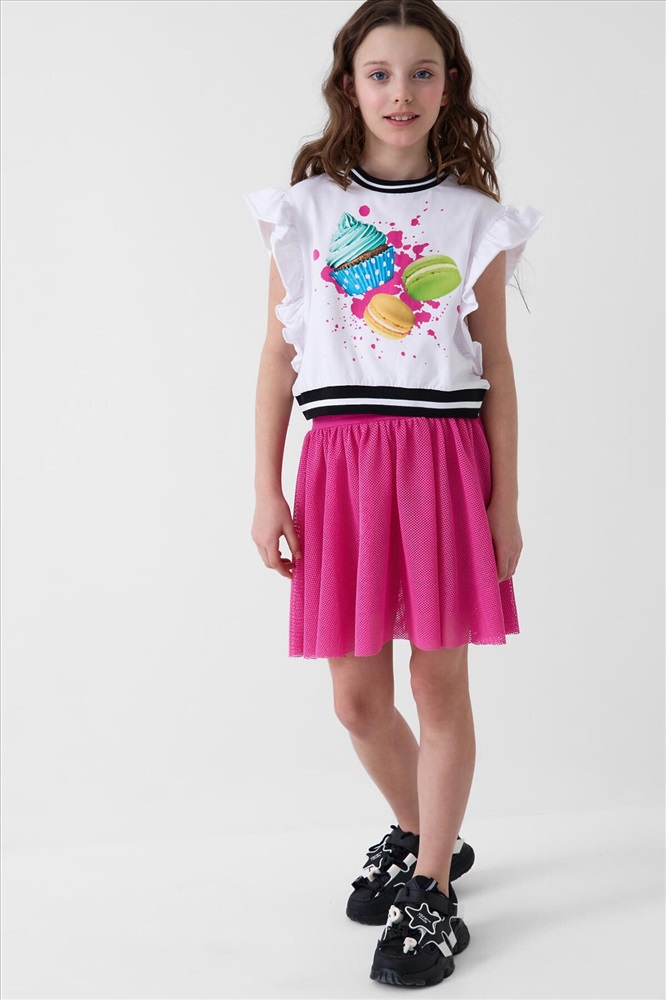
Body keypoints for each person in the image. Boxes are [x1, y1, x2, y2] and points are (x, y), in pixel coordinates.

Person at [244, 0, 543, 988]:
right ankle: (427, 833)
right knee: (358, 698)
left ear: (449, 86)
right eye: (380, 73)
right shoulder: (307, 210)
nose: (400, 92)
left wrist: (504, 502)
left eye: (422, 73)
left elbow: (497, 369)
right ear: (350, 85)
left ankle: (433, 886)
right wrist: (266, 489)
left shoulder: (475, 218)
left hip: (441, 464)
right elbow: (278, 360)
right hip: (338, 468)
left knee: (438, 684)